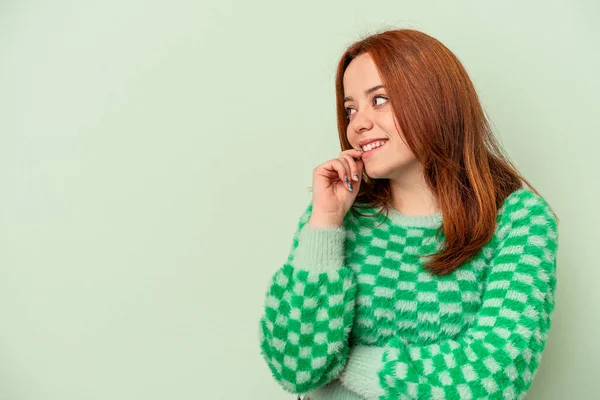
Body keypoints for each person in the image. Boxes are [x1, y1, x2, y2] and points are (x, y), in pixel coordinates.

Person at [257, 28, 559, 400]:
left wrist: (342, 363)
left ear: (435, 100)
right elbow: (296, 367)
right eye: (350, 109)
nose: (357, 124)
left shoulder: (518, 221)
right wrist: (324, 224)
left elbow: (491, 377)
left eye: (379, 99)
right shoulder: (336, 216)